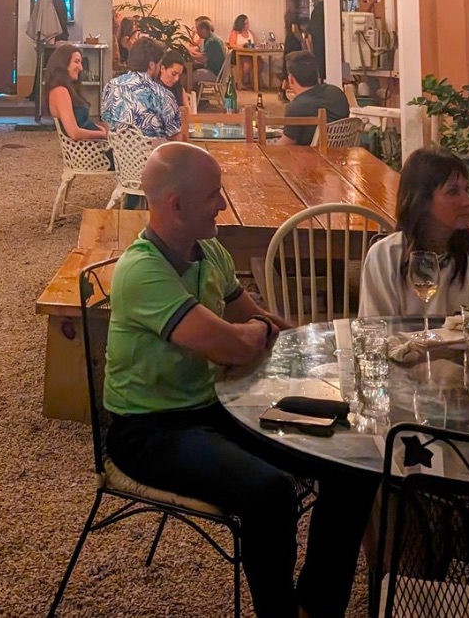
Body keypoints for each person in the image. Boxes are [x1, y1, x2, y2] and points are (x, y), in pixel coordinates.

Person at [103, 143, 373, 618]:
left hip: (217, 407)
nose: (224, 203)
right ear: (177, 206)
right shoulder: (142, 271)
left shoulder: (209, 250)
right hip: (149, 429)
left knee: (349, 462)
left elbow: (256, 320)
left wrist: (310, 350)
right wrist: (259, 333)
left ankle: (318, 605)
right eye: (214, 195)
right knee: (269, 492)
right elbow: (234, 344)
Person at [358, 148, 469, 320]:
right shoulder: (384, 256)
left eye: (467, 190)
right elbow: (375, 330)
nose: (468, 201)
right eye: (453, 192)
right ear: (421, 200)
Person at [99, 37, 182, 138]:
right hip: (151, 152)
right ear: (151, 65)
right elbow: (176, 140)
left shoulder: (110, 86)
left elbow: (106, 125)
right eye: (159, 64)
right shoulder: (163, 95)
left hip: (118, 152)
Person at [278, 52, 349, 146]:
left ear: (291, 79)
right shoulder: (337, 93)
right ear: (317, 74)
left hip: (310, 158)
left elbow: (284, 147)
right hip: (340, 155)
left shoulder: (296, 108)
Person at [43, 43, 105, 142]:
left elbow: (82, 123)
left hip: (94, 144)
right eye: (76, 62)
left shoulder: (66, 89)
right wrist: (103, 134)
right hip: (90, 149)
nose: (81, 68)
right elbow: (74, 133)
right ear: (63, 63)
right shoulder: (60, 91)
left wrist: (101, 129)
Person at [192, 17, 224, 85]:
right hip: (213, 70)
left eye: (198, 30)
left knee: (191, 76)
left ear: (203, 30)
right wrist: (193, 54)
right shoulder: (209, 38)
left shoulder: (212, 42)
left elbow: (203, 59)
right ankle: (196, 92)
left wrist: (192, 56)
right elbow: (204, 54)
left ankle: (192, 94)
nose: (197, 32)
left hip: (214, 73)